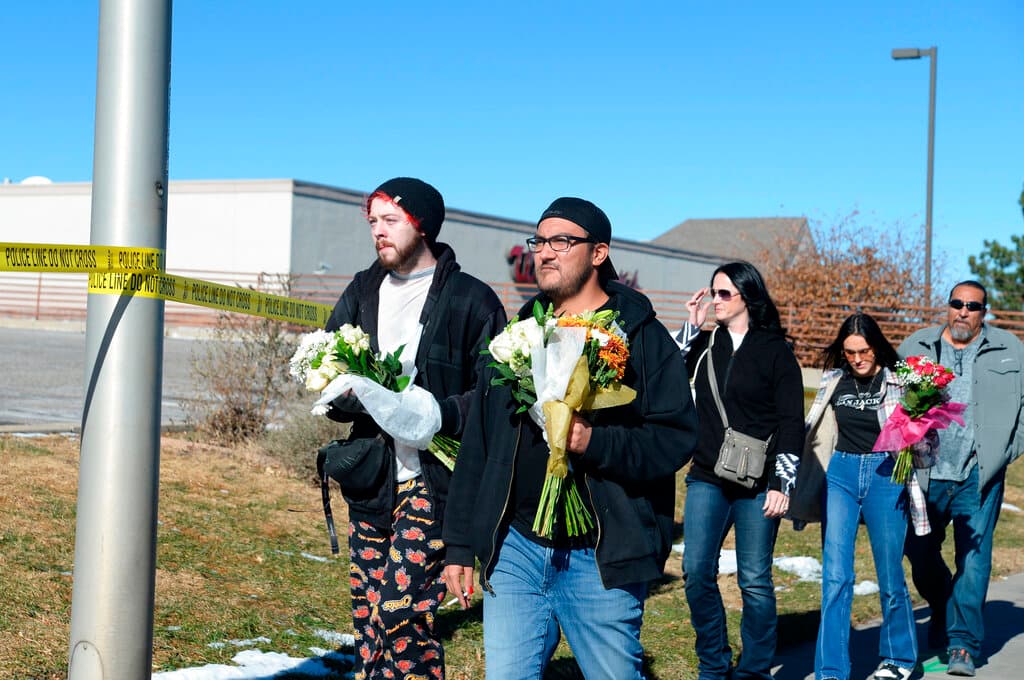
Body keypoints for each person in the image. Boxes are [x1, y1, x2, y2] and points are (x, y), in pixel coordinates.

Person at [441, 197, 698, 679]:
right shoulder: (519, 334)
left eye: (562, 241)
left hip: (599, 555)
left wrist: (592, 442)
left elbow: (674, 439)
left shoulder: (640, 336)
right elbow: (480, 441)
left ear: (599, 253)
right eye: (539, 241)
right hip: (516, 546)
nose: (545, 252)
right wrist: (458, 543)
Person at [323, 177, 506, 679]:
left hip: (434, 479)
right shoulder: (362, 291)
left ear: (421, 226)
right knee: (368, 616)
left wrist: (439, 414)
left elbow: (494, 393)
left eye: (390, 221)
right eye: (373, 223)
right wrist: (338, 396)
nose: (378, 232)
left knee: (402, 612)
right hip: (372, 478)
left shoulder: (472, 300)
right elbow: (327, 362)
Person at [675, 261, 804, 680]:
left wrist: (782, 483)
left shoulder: (775, 351)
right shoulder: (706, 344)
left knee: (754, 580)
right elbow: (668, 375)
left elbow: (790, 422)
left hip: (758, 484)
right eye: (713, 292)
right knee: (695, 571)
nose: (715, 300)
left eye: (724, 294)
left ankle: (754, 669)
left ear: (748, 296)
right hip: (708, 475)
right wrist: (691, 327)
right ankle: (713, 664)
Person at [795, 313, 935, 680]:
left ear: (877, 346)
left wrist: (919, 430)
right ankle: (831, 670)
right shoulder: (833, 381)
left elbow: (928, 447)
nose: (857, 359)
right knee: (836, 576)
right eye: (850, 352)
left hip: (884, 475)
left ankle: (899, 659)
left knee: (890, 573)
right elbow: (814, 429)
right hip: (840, 473)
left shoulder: (901, 382)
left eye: (864, 351)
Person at [901, 280, 1024, 677]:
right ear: (947, 306)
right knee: (920, 555)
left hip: (978, 475)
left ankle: (963, 645)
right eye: (957, 303)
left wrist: (1005, 450)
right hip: (926, 473)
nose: (964, 311)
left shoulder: (1009, 350)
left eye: (973, 306)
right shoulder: (915, 347)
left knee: (973, 561)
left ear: (983, 312)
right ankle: (943, 605)